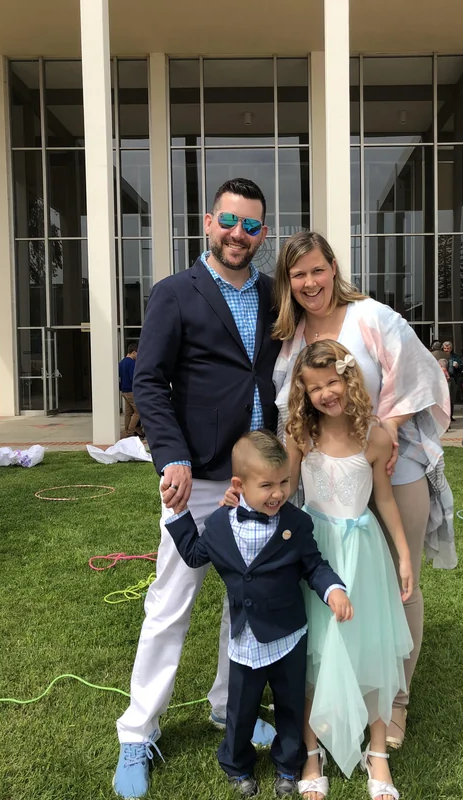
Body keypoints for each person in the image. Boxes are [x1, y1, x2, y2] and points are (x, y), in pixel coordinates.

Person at [113, 178, 281, 799]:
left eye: (252, 226)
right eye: (229, 222)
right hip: (198, 481)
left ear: (263, 233)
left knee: (247, 602)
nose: (239, 235)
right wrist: (173, 457)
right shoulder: (174, 292)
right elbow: (150, 382)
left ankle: (227, 707)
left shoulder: (274, 293)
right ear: (209, 222)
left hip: (260, 479)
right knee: (170, 605)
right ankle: (137, 732)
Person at [272, 231, 456, 760]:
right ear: (289, 283)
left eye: (317, 270)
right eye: (299, 275)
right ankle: (339, 688)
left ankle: (395, 699)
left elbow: (419, 375)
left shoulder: (373, 317)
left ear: (333, 267)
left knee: (399, 583)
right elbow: (291, 411)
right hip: (327, 482)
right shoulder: (293, 336)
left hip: (391, 464)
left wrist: (390, 427)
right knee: (332, 585)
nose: (310, 283)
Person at [167, 431, 351, 798]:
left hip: (287, 635)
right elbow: (194, 555)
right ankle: (237, 765)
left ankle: (288, 764)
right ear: (239, 485)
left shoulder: (296, 523)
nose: (278, 493)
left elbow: (314, 565)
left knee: (289, 705)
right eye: (266, 485)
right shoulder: (220, 525)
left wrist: (333, 589)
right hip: (245, 640)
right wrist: (179, 513)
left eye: (283, 482)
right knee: (240, 708)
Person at [285, 341, 413, 800]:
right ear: (304, 393)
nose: (326, 394)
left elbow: (384, 499)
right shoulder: (301, 435)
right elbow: (285, 488)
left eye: (332, 382)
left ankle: (376, 753)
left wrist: (403, 554)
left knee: (368, 648)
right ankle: (311, 751)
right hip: (315, 552)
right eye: (314, 387)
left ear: (348, 378)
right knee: (314, 653)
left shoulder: (374, 437)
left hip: (362, 552)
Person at [118, 342, 143, 439]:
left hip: (124, 391)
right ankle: (130, 431)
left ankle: (127, 430)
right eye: (137, 353)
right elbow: (133, 378)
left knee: (128, 412)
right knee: (138, 411)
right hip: (131, 390)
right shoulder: (132, 363)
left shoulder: (121, 363)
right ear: (133, 352)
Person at [441, 341, 462, 422]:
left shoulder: (455, 357)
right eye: (445, 348)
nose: (446, 350)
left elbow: (461, 368)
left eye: (448, 348)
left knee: (452, 398)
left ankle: (450, 415)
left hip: (452, 378)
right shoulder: (440, 356)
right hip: (442, 380)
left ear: (451, 349)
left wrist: (457, 366)